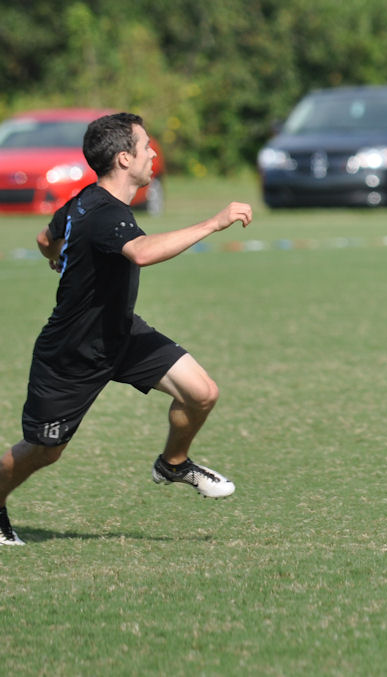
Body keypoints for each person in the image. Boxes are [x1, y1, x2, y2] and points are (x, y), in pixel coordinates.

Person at [0, 113, 253, 546]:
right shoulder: (103, 212)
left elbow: (45, 239)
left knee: (201, 393)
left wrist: (60, 257)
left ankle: (173, 464)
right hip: (72, 351)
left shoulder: (85, 200)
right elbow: (141, 253)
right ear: (123, 158)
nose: (153, 154)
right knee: (44, 451)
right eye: (146, 146)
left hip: (120, 333)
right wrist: (214, 223)